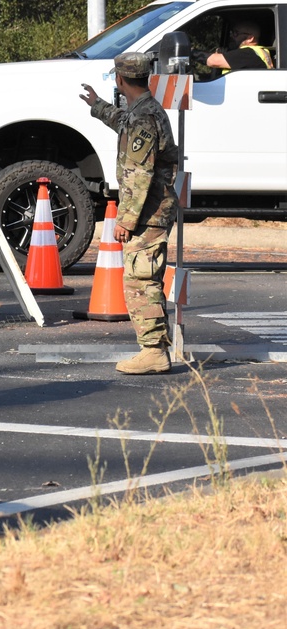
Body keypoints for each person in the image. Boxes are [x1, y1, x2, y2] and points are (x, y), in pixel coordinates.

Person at [79, 52, 179, 374]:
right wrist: (96, 106)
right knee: (143, 277)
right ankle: (153, 348)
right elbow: (120, 121)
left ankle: (153, 352)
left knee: (141, 280)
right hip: (149, 212)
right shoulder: (141, 112)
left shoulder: (144, 118)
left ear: (121, 80)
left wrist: (125, 220)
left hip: (147, 213)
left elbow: (139, 174)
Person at [192, 20, 274, 71]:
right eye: (232, 32)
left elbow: (213, 61)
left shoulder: (248, 54)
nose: (231, 36)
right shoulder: (258, 53)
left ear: (250, 38)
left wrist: (191, 52)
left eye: (236, 33)